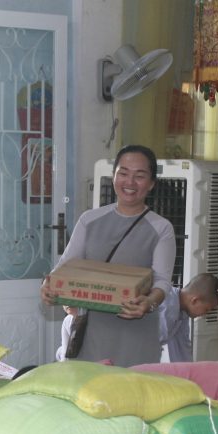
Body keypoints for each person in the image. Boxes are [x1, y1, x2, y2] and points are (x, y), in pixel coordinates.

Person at [40, 144, 176, 367]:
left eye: (140, 176)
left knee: (130, 388)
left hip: (136, 337)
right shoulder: (89, 220)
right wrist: (49, 285)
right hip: (90, 335)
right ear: (114, 176)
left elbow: (162, 281)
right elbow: (66, 266)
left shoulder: (161, 228)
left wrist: (149, 303)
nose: (130, 182)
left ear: (151, 183)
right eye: (123, 173)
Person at [159, 273, 218, 362]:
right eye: (206, 310)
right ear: (195, 300)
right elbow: (149, 343)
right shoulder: (168, 308)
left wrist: (190, 369)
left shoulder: (182, 312)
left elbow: (182, 348)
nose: (204, 315)